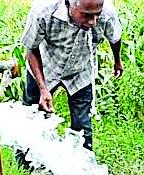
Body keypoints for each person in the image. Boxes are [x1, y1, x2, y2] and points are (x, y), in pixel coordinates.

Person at [21, 0, 123, 153]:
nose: (93, 22)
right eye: (87, 15)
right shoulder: (43, 10)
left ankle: (83, 168)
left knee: (82, 126)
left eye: (97, 15)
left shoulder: (107, 12)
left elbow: (115, 38)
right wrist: (43, 88)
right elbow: (31, 49)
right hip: (46, 66)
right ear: (69, 4)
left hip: (80, 70)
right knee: (32, 116)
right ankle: (26, 164)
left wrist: (117, 61)